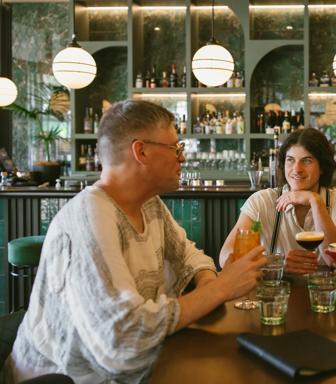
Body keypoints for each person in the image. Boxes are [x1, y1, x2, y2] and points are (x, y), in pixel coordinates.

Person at [6, 100, 266, 383]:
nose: (183, 158)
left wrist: (207, 280)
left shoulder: (149, 204)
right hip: (65, 378)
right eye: (176, 148)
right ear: (141, 151)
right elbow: (122, 340)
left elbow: (190, 256)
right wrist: (221, 289)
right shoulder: (89, 216)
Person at [220, 128, 336, 275]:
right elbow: (226, 257)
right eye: (290, 160)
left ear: (322, 167)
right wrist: (277, 263)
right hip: (275, 294)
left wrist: (315, 202)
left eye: (307, 161)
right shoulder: (261, 201)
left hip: (325, 292)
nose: (296, 169)